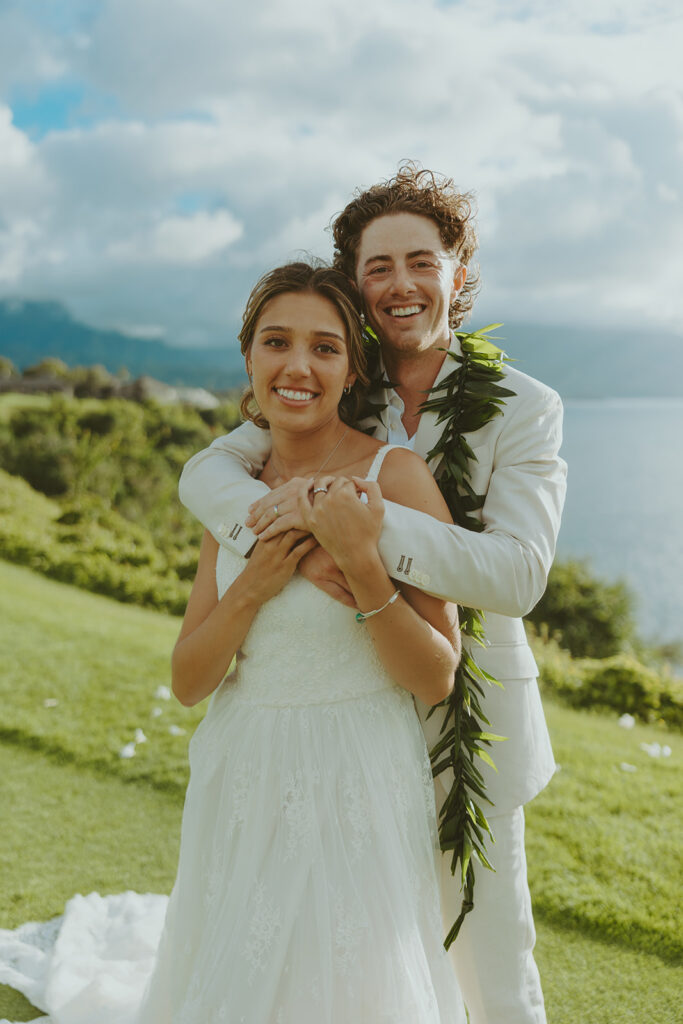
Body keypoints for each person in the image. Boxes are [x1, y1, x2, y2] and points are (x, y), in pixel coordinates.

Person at [0, 261, 467, 1024]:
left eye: (324, 348)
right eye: (276, 342)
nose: (297, 366)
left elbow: (436, 676)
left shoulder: (397, 475)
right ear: (248, 358)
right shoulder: (237, 487)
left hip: (358, 772)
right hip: (244, 766)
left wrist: (359, 566)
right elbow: (189, 680)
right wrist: (251, 586)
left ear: (352, 369)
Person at [178, 164, 567, 1024]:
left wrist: (353, 531)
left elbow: (516, 574)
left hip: (469, 707)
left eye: (420, 261)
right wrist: (297, 537)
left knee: (488, 946)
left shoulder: (526, 407)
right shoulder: (335, 376)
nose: (400, 283)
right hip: (343, 709)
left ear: (457, 271)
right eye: (377, 265)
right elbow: (209, 470)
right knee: (357, 941)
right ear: (355, 283)